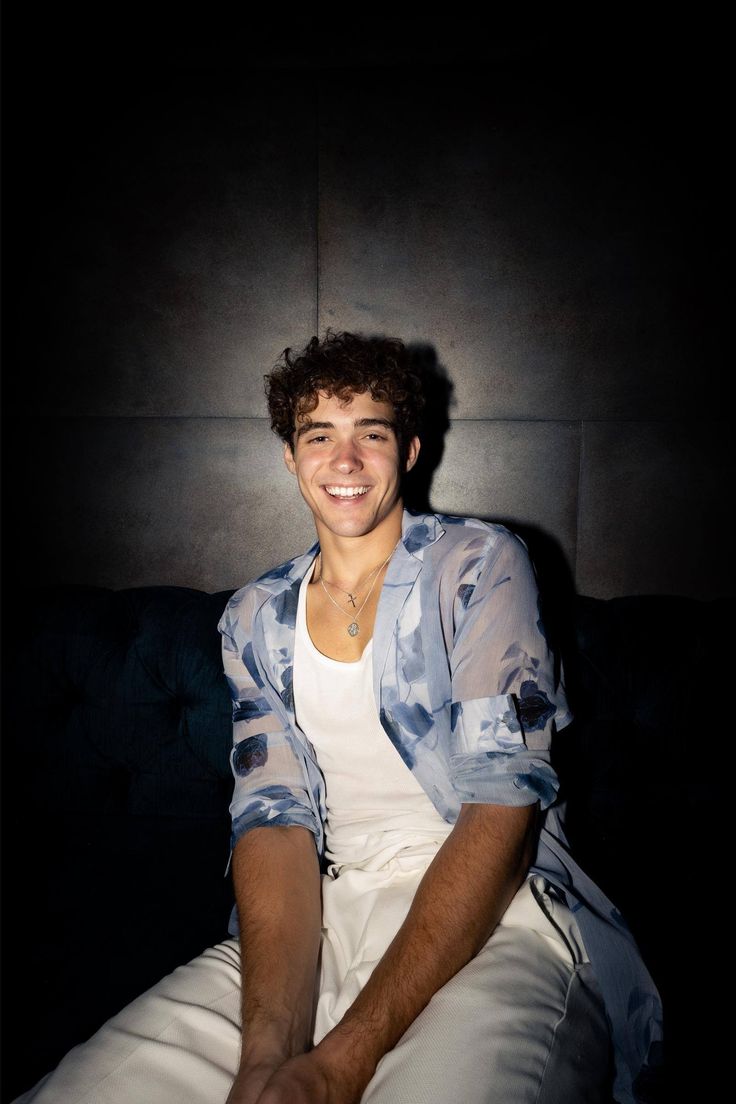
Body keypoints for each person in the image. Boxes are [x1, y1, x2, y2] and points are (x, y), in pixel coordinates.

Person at [15, 331, 662, 1104]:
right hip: (326, 915)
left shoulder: (478, 564)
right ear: (291, 457)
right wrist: (267, 1055)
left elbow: (503, 803)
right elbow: (274, 821)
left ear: (411, 450)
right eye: (319, 436)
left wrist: (341, 1060)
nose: (345, 461)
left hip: (501, 918)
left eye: (372, 434)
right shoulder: (254, 618)